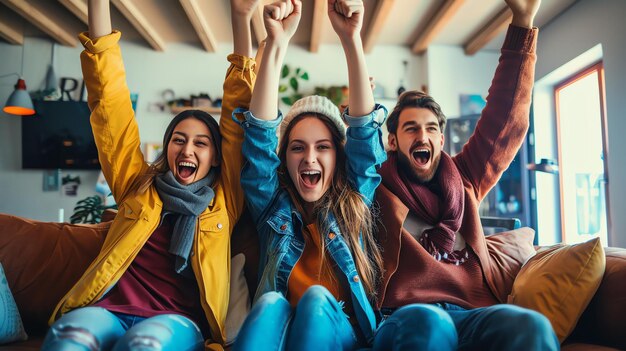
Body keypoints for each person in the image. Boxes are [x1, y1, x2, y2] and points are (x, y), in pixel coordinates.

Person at [41, 0, 259, 349]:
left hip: (174, 322)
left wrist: (241, 17)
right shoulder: (137, 185)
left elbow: (238, 119)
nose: (187, 150)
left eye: (201, 144)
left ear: (216, 157)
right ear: (167, 148)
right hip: (107, 311)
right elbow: (109, 106)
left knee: (145, 345)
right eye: (179, 140)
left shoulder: (224, 202)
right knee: (70, 336)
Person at [371, 0, 560, 350]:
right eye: (411, 129)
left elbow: (505, 119)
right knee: (431, 325)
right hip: (408, 315)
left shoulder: (466, 176)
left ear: (441, 140)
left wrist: (522, 19)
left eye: (430, 129)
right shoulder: (376, 187)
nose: (423, 136)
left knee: (529, 326)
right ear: (393, 141)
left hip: (473, 312)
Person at [232, 0, 386, 350]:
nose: (309, 158)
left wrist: (351, 39)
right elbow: (259, 137)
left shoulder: (355, 200)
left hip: (341, 333)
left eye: (323, 147)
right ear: (284, 158)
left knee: (317, 299)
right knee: (270, 303)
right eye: (297, 147)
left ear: (339, 156)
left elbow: (362, 132)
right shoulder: (273, 207)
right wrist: (277, 42)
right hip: (282, 331)